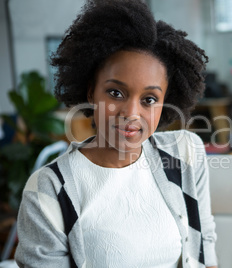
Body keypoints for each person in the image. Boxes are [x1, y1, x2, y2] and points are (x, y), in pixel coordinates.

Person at [15, 0, 217, 267]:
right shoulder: (48, 190)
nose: (131, 113)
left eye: (149, 99)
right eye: (115, 93)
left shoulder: (185, 152)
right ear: (90, 92)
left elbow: (205, 246)